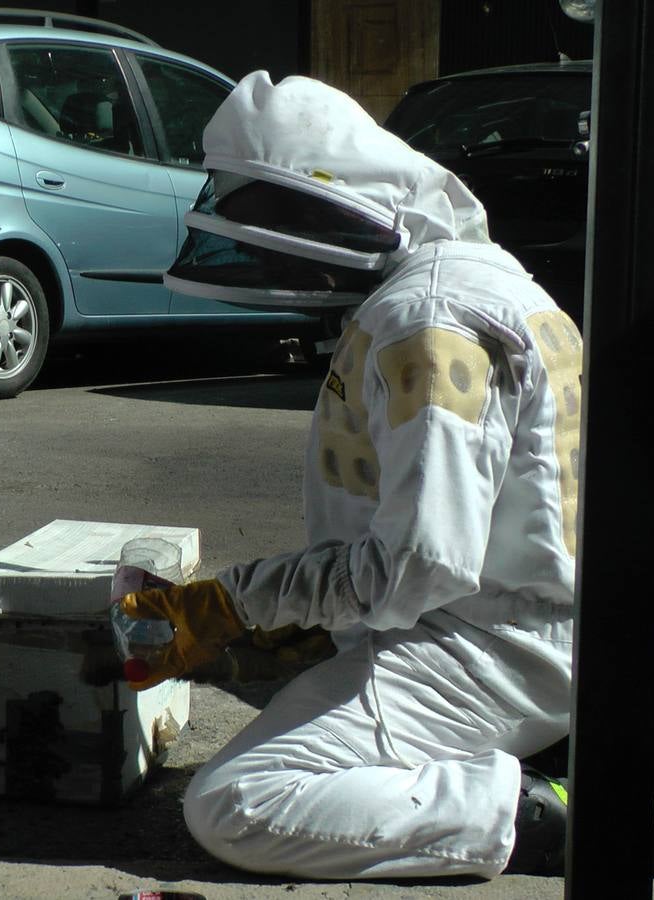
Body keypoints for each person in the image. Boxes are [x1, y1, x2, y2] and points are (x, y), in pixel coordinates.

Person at [123, 71, 584, 879]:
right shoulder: (481, 278)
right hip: (523, 627)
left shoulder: (429, 317)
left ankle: (522, 812)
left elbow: (420, 564)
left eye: (273, 220)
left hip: (489, 650)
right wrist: (257, 640)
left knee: (237, 801)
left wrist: (238, 603)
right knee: (271, 670)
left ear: (325, 209)